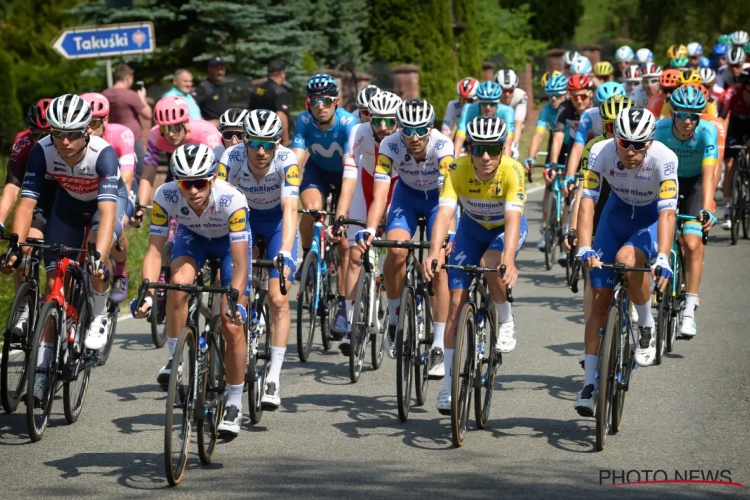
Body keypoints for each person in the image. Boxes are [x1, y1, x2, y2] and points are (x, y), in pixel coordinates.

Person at [7, 94, 129, 401]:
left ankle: (99, 314)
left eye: (72, 134)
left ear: (87, 130)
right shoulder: (42, 150)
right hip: (69, 204)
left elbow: (107, 212)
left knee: (95, 258)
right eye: (57, 133)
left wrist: (99, 256)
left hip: (107, 203)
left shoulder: (104, 154)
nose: (64, 141)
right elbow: (27, 202)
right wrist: (16, 245)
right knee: (53, 287)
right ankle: (41, 370)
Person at [132, 144, 250, 437]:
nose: (194, 190)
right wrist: (147, 292)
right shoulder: (166, 195)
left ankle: (235, 401)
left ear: (211, 179)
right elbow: (154, 251)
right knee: (178, 283)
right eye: (187, 183)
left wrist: (235, 300)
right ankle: (176, 360)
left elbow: (240, 262)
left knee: (231, 324)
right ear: (177, 182)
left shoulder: (232, 199)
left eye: (200, 183)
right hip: (193, 238)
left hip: (227, 246)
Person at [574, 107, 678, 415]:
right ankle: (590, 383)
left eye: (638, 144)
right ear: (615, 139)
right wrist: (583, 246)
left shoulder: (664, 158)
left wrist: (663, 256)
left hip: (648, 221)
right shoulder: (601, 152)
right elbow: (588, 201)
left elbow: (667, 212)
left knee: (627, 259)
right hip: (615, 218)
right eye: (624, 143)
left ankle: (646, 322)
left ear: (649, 143)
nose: (630, 151)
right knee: (599, 296)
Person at [424, 115, 527, 411]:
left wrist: (508, 259)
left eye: (493, 149)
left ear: (503, 149)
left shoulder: (512, 171)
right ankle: (447, 387)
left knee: (493, 263)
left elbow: (512, 218)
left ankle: (506, 320)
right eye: (478, 148)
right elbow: (444, 214)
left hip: (503, 231)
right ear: (467, 147)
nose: (485, 156)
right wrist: (433, 252)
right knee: (455, 305)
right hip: (470, 230)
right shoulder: (456, 169)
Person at [218, 110, 298, 407]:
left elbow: (291, 209)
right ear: (245, 141)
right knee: (236, 284)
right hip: (245, 221)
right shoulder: (231, 157)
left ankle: (274, 377)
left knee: (278, 297)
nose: (261, 151)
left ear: (278, 142)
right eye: (254, 143)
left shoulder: (286, 160)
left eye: (268, 143)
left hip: (277, 222)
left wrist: (286, 252)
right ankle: (245, 320)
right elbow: (221, 202)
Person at [369, 98, 454, 371]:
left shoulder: (443, 146)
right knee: (395, 250)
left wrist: (446, 237)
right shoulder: (389, 145)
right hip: (406, 198)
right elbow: (381, 191)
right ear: (399, 129)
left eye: (421, 130)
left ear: (431, 128)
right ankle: (393, 320)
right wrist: (371, 229)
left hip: (437, 203)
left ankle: (439, 344)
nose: (414, 137)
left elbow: (447, 199)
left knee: (438, 265)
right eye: (408, 130)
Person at [334, 91, 402, 351]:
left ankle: (402, 302)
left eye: (389, 121)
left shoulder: (402, 138)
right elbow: (349, 178)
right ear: (368, 118)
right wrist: (341, 218)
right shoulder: (359, 133)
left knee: (397, 253)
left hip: (397, 188)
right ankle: (349, 319)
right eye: (377, 121)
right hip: (365, 187)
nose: (383, 127)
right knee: (354, 253)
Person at [291, 74, 358, 331]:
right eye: (315, 100)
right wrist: (287, 186)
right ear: (309, 102)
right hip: (317, 172)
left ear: (336, 102)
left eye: (326, 100)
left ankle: (343, 306)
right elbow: (297, 161)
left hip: (344, 175)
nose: (321, 106)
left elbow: (349, 168)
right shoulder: (303, 120)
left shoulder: (348, 124)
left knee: (342, 242)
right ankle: (308, 254)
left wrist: (340, 213)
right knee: (311, 209)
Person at [654, 85, 718, 336]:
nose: (689, 121)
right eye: (683, 115)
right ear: (673, 113)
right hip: (665, 182)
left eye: (695, 115)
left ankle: (689, 310)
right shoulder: (659, 130)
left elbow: (710, 173)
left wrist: (708, 208)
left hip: (694, 184)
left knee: (692, 242)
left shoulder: (707, 132)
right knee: (654, 234)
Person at [0, 99, 55, 338]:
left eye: (47, 133)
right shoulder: (23, 142)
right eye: (36, 133)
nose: (41, 139)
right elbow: (12, 188)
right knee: (22, 247)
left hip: (68, 196)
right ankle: (23, 308)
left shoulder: (67, 143)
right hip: (36, 197)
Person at [80, 92, 137, 304]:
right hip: (88, 189)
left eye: (93, 122)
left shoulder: (121, 134)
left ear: (106, 120)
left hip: (120, 186)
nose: (88, 128)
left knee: (115, 227)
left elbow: (128, 176)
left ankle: (121, 272)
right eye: (84, 122)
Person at [134, 96, 222, 215]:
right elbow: (148, 174)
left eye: (175, 127)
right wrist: (141, 206)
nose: (170, 134)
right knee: (169, 197)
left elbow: (219, 174)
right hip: (178, 161)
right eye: (165, 128)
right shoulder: (155, 136)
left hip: (205, 165)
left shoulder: (206, 132)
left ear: (185, 123)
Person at [525, 75, 567, 250]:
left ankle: (567, 234)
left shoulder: (571, 108)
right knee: (549, 188)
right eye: (550, 95)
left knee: (571, 190)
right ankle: (545, 230)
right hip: (555, 146)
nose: (553, 99)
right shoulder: (547, 109)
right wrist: (531, 158)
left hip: (573, 147)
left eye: (557, 95)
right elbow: (538, 134)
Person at [102, 63, 152, 180]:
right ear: (128, 77)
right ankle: (136, 197)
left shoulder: (105, 94)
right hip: (131, 139)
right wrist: (142, 98)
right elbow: (148, 114)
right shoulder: (130, 95)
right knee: (138, 171)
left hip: (110, 139)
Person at [719, 68, 750, 230]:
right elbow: (721, 119)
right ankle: (727, 209)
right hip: (736, 126)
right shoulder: (731, 93)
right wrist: (720, 140)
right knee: (729, 165)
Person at [454, 81, 514, 157]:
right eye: (484, 103)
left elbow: (507, 143)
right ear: (479, 102)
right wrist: (452, 165)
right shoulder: (469, 109)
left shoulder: (507, 112)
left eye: (492, 104)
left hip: (497, 145)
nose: (488, 107)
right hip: (475, 145)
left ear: (498, 103)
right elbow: (459, 139)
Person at [248, 59, 292, 146]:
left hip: (256, 136)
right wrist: (285, 142)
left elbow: (250, 111)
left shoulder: (258, 89)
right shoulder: (280, 91)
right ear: (282, 73)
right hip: (273, 137)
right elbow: (281, 115)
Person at [495, 69, 528, 159]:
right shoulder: (493, 96)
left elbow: (518, 122)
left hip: (512, 124)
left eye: (510, 90)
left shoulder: (521, 96)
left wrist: (514, 146)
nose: (507, 94)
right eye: (504, 90)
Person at [195, 56, 229, 127]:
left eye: (222, 69)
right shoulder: (204, 87)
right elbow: (192, 106)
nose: (220, 72)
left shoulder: (222, 87)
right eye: (216, 69)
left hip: (223, 128)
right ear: (209, 69)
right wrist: (205, 123)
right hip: (211, 131)